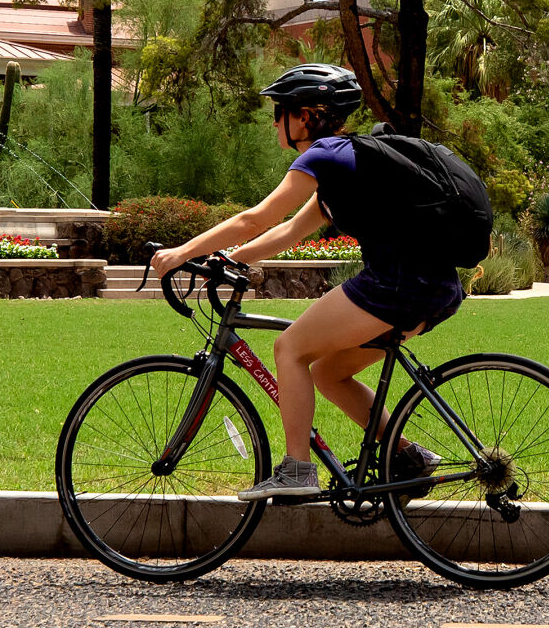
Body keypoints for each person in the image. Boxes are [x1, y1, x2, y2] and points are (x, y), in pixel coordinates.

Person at [148, 63, 455, 501]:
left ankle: (297, 472)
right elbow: (289, 232)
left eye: (282, 110)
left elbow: (256, 217)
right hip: (432, 287)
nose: (276, 121)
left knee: (289, 348)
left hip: (396, 284)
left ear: (308, 115)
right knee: (329, 373)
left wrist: (183, 253)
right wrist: (227, 258)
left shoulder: (323, 155)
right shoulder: (347, 162)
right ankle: (409, 456)